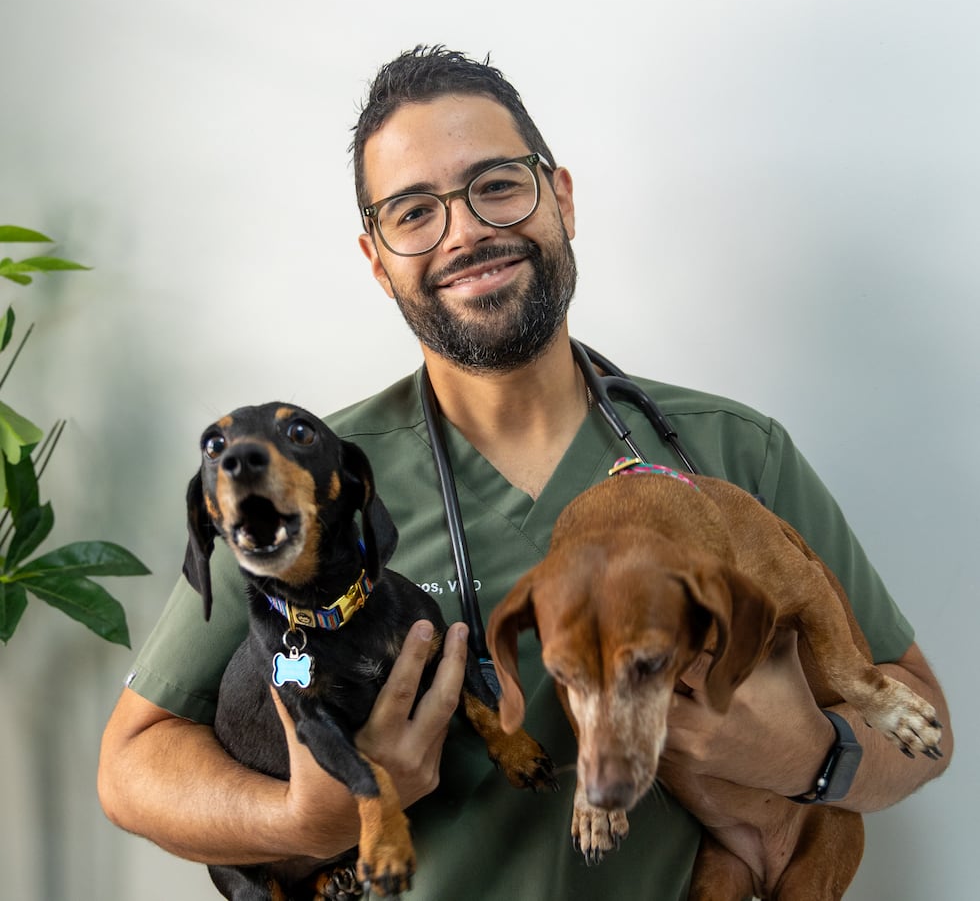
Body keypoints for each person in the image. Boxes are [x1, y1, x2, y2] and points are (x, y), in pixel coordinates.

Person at [98, 45, 951, 899]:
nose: (465, 231)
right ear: (376, 259)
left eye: (497, 186)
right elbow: (133, 765)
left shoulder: (731, 451)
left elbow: (928, 732)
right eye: (413, 212)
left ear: (562, 198)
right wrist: (304, 819)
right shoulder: (308, 483)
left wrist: (810, 756)